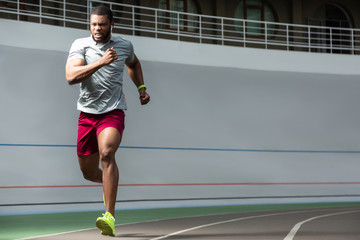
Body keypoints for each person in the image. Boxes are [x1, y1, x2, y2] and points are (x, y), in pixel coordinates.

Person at [65, 5, 150, 237]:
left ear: (111, 24)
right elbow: (71, 77)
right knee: (89, 173)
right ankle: (110, 183)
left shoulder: (124, 45)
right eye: (93, 24)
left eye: (102, 24)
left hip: (113, 111)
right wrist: (101, 62)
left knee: (107, 154)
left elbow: (133, 64)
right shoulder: (79, 45)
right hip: (87, 115)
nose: (97, 28)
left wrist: (141, 88)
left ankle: (109, 217)